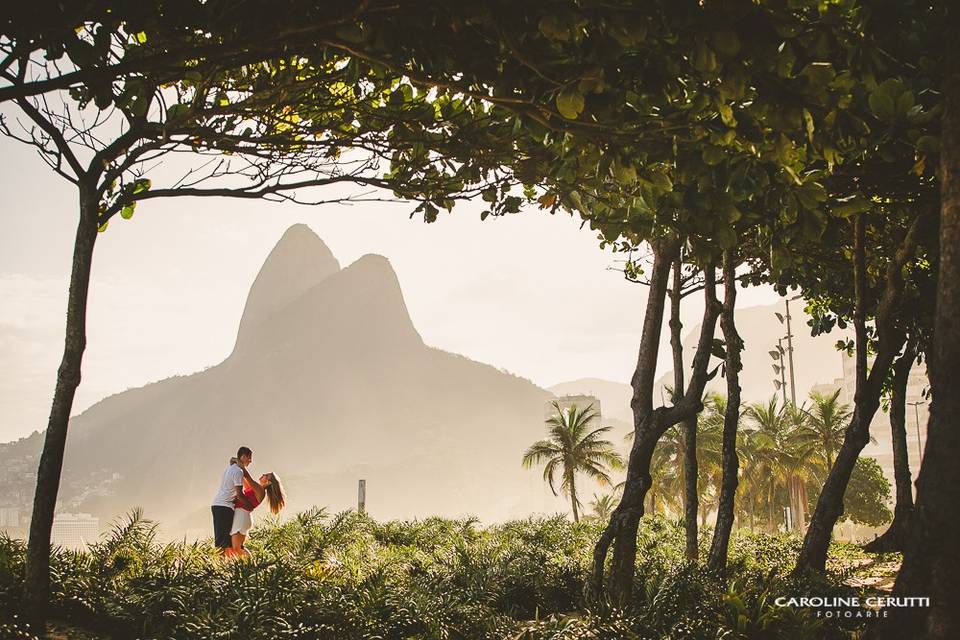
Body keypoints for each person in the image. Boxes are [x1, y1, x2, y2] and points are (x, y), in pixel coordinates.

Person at [229, 466, 286, 558]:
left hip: (241, 517)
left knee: (236, 548)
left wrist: (238, 462)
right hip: (243, 517)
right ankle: (248, 565)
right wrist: (237, 467)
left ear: (268, 482)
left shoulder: (260, 490)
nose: (263, 475)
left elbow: (247, 476)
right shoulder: (256, 490)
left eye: (266, 476)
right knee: (237, 548)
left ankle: (252, 564)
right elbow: (243, 479)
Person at [211, 446, 251, 554]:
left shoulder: (231, 468)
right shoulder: (238, 471)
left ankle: (223, 566)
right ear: (242, 456)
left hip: (219, 506)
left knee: (225, 542)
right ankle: (219, 566)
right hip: (224, 507)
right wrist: (250, 506)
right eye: (249, 457)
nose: (250, 461)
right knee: (223, 543)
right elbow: (239, 495)